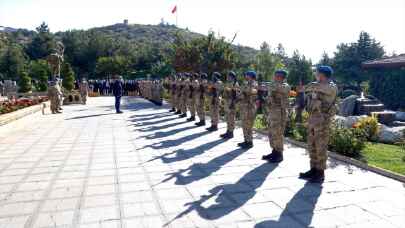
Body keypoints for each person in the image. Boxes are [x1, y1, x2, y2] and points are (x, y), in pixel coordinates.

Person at [299, 66, 337, 183]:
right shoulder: (316, 85)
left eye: (317, 73)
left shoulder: (331, 86)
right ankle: (313, 169)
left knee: (320, 146)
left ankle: (320, 173)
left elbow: (313, 88)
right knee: (312, 145)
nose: (315, 75)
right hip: (313, 119)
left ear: (322, 74)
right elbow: (308, 90)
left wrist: (305, 88)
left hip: (322, 120)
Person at [262, 70, 291, 163]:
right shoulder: (273, 85)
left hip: (280, 113)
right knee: (271, 132)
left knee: (278, 133)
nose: (274, 77)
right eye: (275, 75)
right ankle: (274, 151)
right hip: (272, 112)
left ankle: (279, 154)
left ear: (281, 77)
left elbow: (278, 88)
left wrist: (269, 86)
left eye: (276, 76)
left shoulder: (285, 86)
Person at [238, 71, 258, 149]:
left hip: (250, 107)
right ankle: (246, 140)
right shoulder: (246, 83)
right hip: (244, 107)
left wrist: (244, 89)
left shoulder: (254, 83)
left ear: (252, 76)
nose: (246, 76)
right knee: (244, 124)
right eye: (246, 75)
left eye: (248, 75)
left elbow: (252, 91)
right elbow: (241, 92)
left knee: (249, 125)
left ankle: (250, 142)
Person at [220, 71, 239, 139]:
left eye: (229, 76)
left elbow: (235, 94)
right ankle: (228, 131)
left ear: (232, 77)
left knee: (231, 118)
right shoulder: (228, 83)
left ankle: (231, 132)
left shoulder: (235, 84)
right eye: (227, 76)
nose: (227, 77)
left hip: (231, 102)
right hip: (227, 102)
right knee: (228, 118)